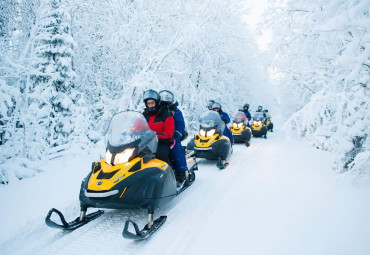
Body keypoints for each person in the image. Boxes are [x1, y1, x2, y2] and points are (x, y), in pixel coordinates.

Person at [159, 89, 188, 184]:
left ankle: (181, 171)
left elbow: (180, 124)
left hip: (173, 136)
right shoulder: (157, 109)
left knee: (176, 149)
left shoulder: (175, 111)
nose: (164, 100)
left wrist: (175, 137)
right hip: (158, 136)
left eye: (167, 98)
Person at [142, 89, 174, 164]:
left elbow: (168, 134)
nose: (150, 105)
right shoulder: (143, 115)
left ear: (157, 102)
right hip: (145, 143)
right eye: (148, 103)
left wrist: (153, 136)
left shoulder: (166, 115)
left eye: (152, 103)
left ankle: (166, 173)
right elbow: (135, 128)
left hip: (160, 143)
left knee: (160, 155)